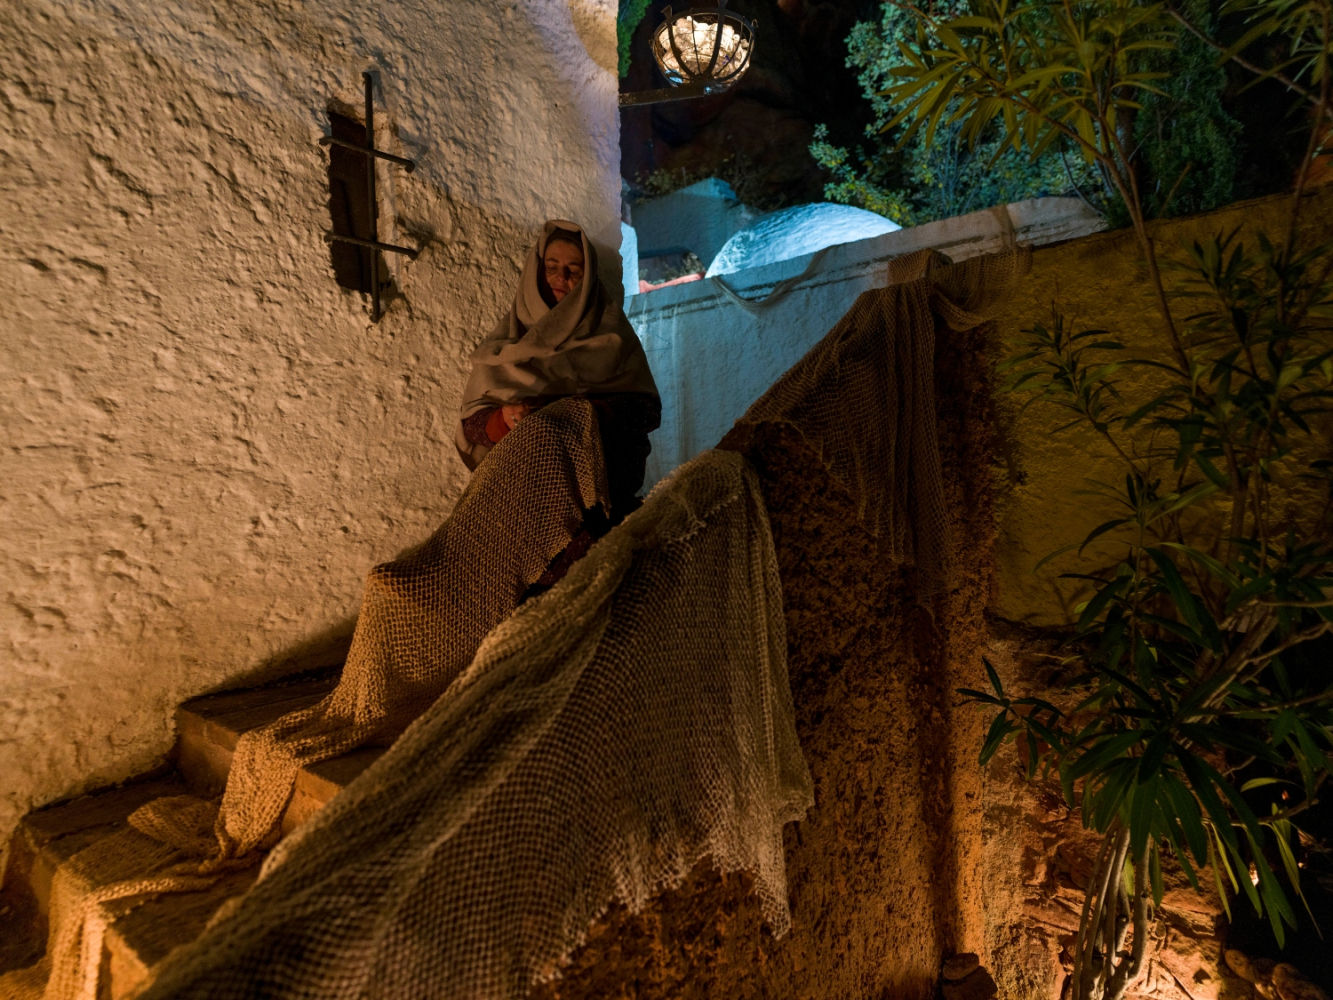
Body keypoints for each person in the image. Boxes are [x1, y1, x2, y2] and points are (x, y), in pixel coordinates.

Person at [455, 220, 661, 536]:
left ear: (588, 276)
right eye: (551, 267)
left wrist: (578, 417)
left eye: (573, 270)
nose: (560, 278)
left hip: (601, 509)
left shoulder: (611, 333)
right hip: (523, 514)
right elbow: (472, 424)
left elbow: (646, 412)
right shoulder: (509, 340)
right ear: (537, 271)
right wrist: (504, 418)